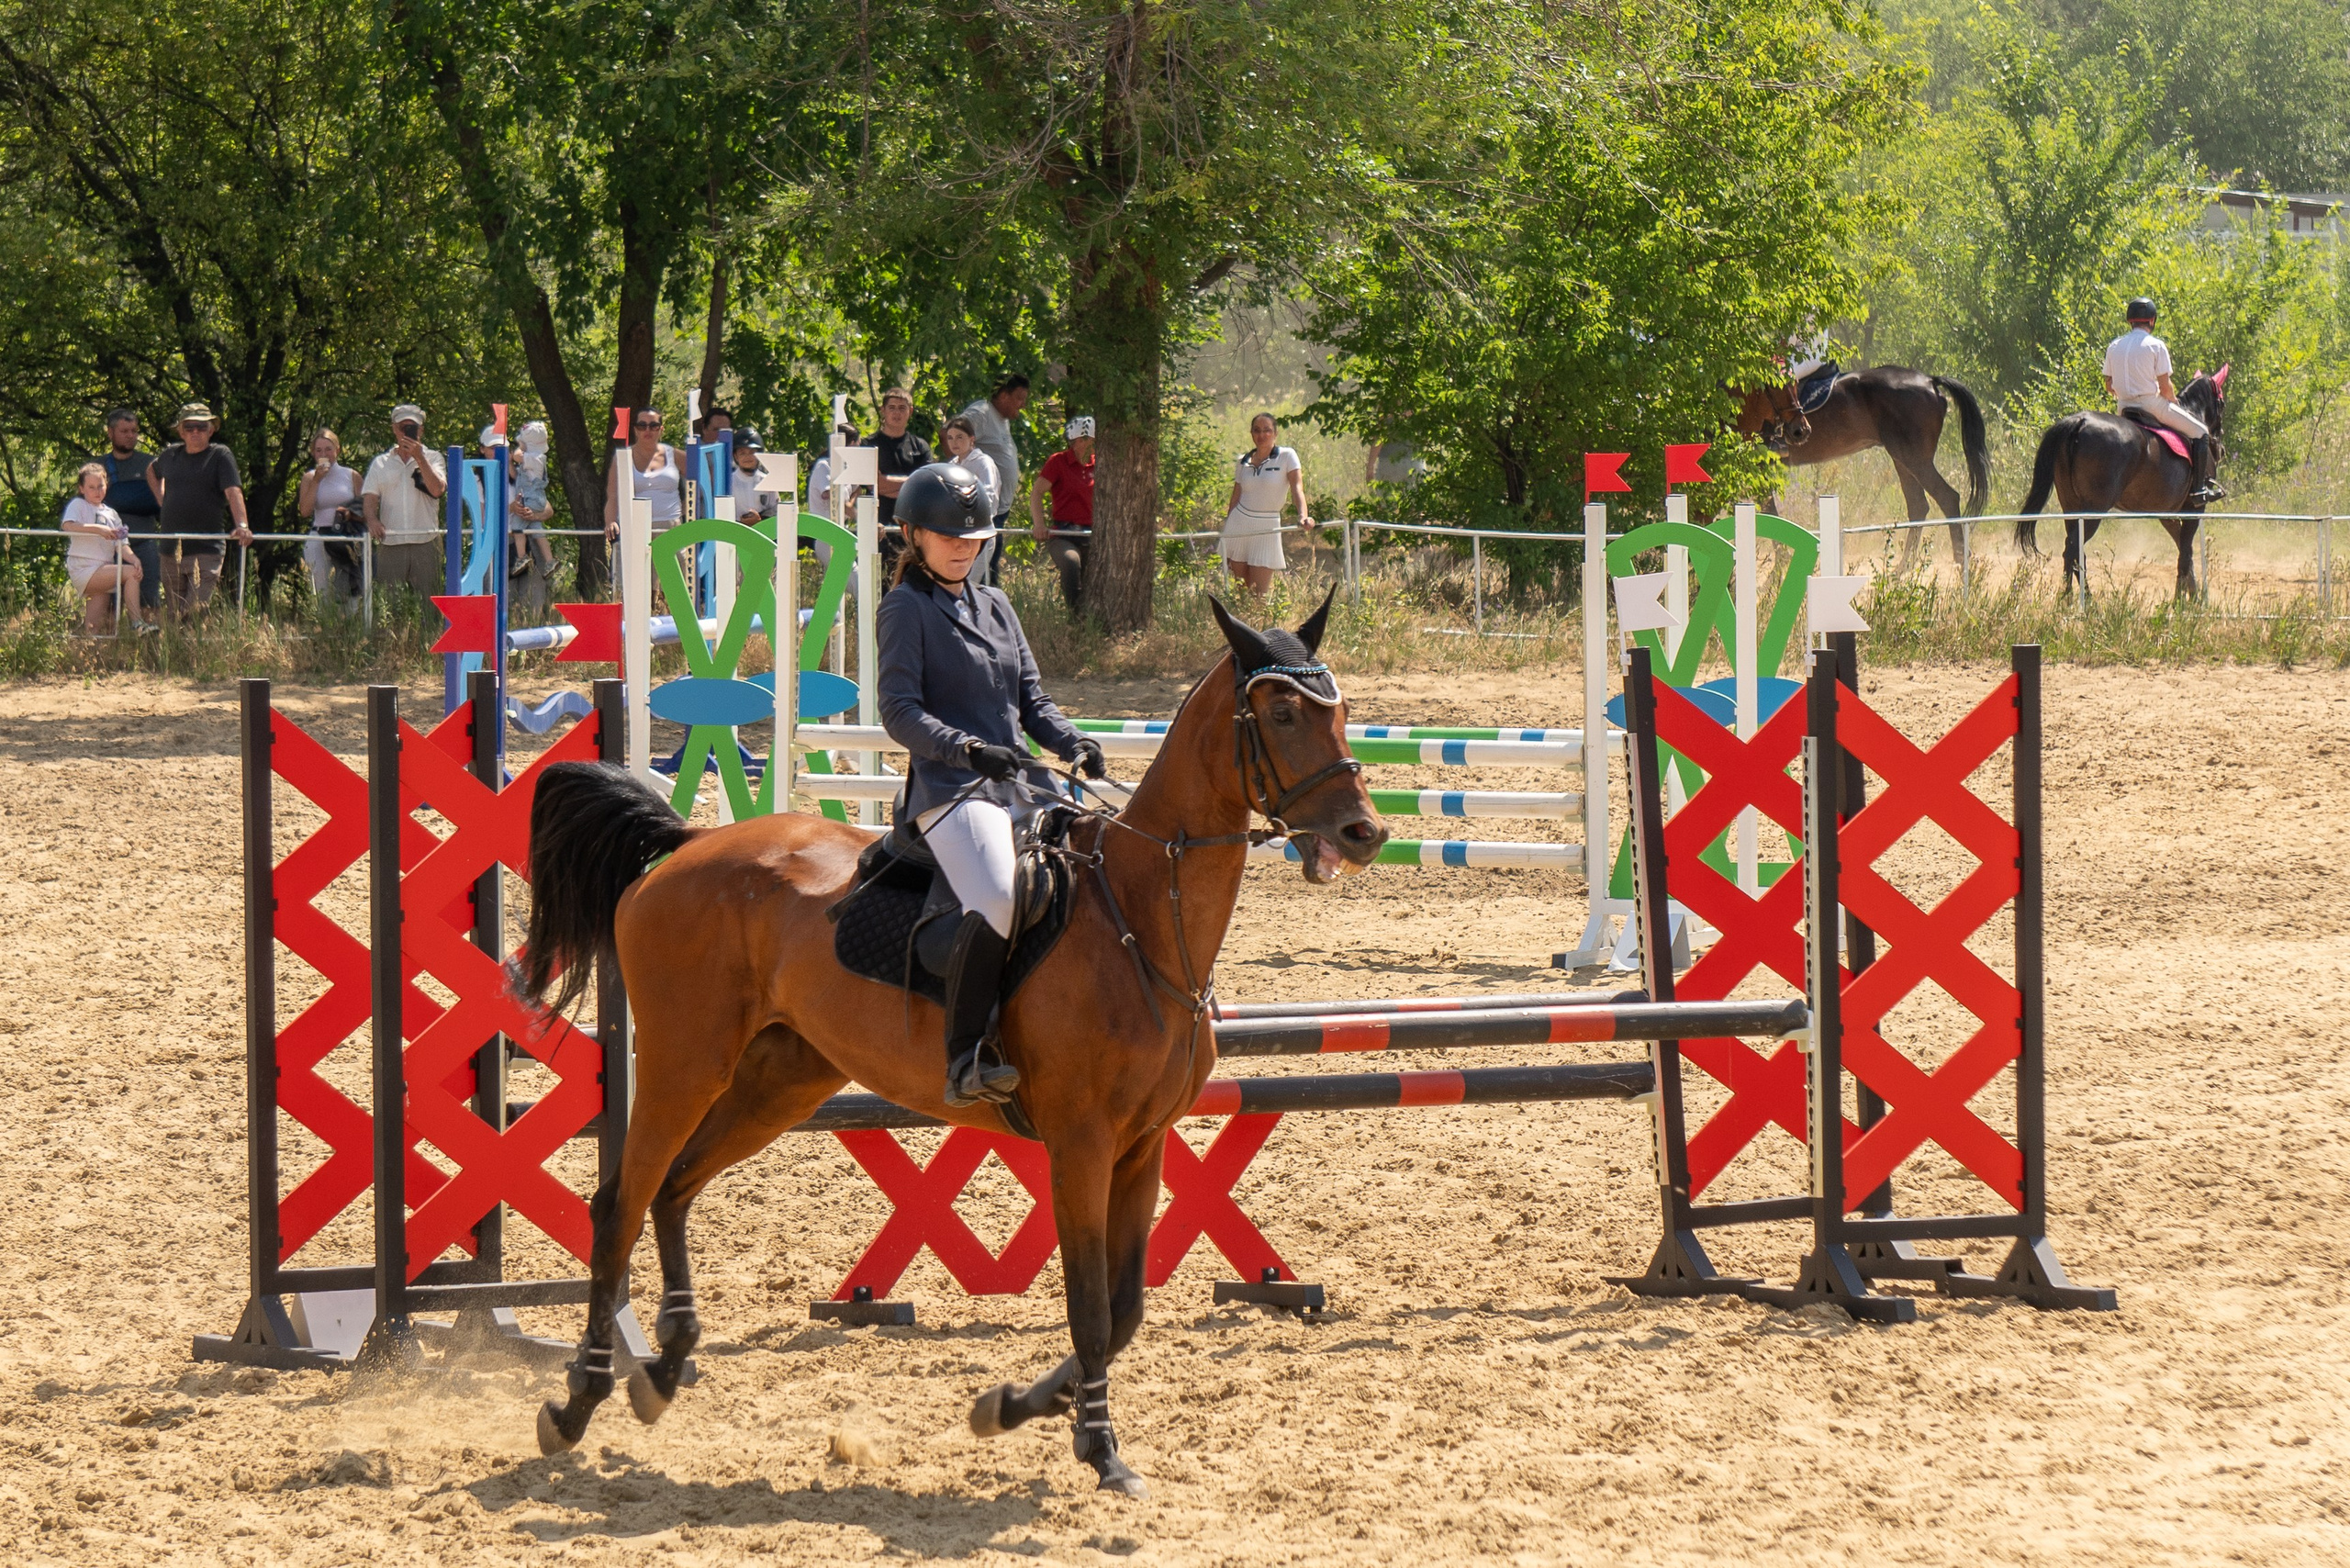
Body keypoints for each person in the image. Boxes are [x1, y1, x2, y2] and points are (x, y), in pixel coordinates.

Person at [876, 462, 1106, 1106]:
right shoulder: (905, 608)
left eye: (973, 537)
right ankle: (966, 1056)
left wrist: (1073, 741)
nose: (963, 546)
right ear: (914, 535)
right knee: (999, 894)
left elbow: (1032, 698)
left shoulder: (997, 604)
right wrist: (969, 749)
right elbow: (898, 710)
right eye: (949, 536)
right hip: (952, 790)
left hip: (1021, 784)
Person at [2104, 297, 2220, 502]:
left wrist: (2125, 392)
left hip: (2123, 408)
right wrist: (2173, 401)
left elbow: (2108, 385)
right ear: (2152, 320)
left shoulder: (2114, 346)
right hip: (2151, 405)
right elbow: (2165, 387)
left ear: (2130, 320)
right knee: (2201, 432)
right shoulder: (2156, 346)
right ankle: (2199, 490)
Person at [146, 403, 253, 615]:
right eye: (190, 427)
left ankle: (195, 647)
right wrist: (162, 499)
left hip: (207, 548)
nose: (195, 431)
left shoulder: (220, 455)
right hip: (170, 550)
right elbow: (152, 470)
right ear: (180, 431)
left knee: (195, 612)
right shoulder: (170, 455)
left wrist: (242, 525)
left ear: (211, 430)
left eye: (201, 427)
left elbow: (234, 492)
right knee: (174, 613)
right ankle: (175, 649)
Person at [359, 403, 450, 594]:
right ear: (394, 428)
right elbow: (369, 498)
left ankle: (430, 626)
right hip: (391, 541)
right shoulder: (380, 463)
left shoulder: (434, 458)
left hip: (426, 541)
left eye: (412, 428)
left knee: (429, 601)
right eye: (402, 428)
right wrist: (372, 520)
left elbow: (438, 490)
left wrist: (419, 458)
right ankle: (393, 627)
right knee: (389, 604)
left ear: (421, 431)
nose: (406, 433)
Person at [1220, 412, 1311, 596]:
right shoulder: (1243, 461)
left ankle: (1261, 624)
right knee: (1241, 593)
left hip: (1267, 525)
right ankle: (1241, 622)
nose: (1262, 435)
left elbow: (1297, 489)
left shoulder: (1287, 456)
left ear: (1275, 433)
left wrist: (1303, 516)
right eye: (1257, 430)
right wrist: (1227, 530)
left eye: (1267, 430)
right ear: (1251, 434)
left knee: (1259, 594)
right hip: (1239, 525)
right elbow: (1236, 496)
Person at [96, 409, 162, 631]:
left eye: (134, 431)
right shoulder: (97, 467)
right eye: (124, 431)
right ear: (110, 432)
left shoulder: (152, 465)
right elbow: (85, 507)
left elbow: (163, 504)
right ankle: (107, 653)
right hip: (106, 549)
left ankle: (149, 652)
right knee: (107, 605)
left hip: (144, 544)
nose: (130, 436)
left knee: (149, 602)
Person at [61, 462, 141, 633]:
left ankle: (84, 657)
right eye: (91, 487)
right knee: (130, 574)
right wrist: (98, 529)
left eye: (100, 486)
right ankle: (137, 623)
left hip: (103, 571)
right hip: (85, 568)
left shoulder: (112, 514)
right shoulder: (78, 504)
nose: (97, 491)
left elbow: (122, 544)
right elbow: (68, 526)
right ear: (82, 488)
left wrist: (135, 559)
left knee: (93, 630)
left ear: (107, 486)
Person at [1029, 416, 1096, 610]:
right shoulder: (1058, 462)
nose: (1090, 445)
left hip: (1093, 534)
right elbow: (1037, 493)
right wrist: (1039, 524)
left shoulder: (1102, 464)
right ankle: (1075, 616)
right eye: (1086, 440)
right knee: (1070, 561)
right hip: (1064, 533)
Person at [296, 429, 364, 610]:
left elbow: (364, 510)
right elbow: (305, 511)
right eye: (319, 450)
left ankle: (351, 626)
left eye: (328, 449)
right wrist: (317, 481)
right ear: (313, 453)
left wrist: (349, 513)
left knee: (349, 588)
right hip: (319, 535)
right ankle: (323, 628)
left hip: (345, 536)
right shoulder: (309, 477)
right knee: (321, 591)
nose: (324, 454)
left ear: (337, 450)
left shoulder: (352, 475)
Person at [957, 375, 1030, 532]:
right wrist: (959, 478)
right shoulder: (981, 413)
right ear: (1004, 395)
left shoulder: (1002, 419)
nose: (1023, 405)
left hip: (998, 512)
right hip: (981, 511)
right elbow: (949, 434)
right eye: (1019, 398)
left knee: (993, 556)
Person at [938, 416, 1002, 585]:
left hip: (980, 532)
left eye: (960, 437)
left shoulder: (984, 463)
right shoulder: (951, 465)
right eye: (950, 438)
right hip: (956, 533)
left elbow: (989, 499)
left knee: (969, 584)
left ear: (971, 439)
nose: (954, 443)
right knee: (954, 584)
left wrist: (963, 502)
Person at [600, 408, 683, 540]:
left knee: (673, 561)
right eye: (642, 425)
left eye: (653, 425)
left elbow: (699, 477)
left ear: (661, 430)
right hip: (634, 527)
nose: (647, 430)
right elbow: (613, 496)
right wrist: (610, 522)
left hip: (670, 527)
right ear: (635, 430)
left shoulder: (674, 454)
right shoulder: (622, 458)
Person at [862, 387, 934, 539]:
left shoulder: (920, 447)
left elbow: (923, 485)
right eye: (892, 408)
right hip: (877, 526)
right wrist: (910, 483)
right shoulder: (868, 445)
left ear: (910, 411)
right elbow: (873, 484)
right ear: (883, 410)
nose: (897, 413)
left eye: (902, 408)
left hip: (911, 524)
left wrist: (884, 483)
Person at [508, 420, 557, 578]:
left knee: (517, 525)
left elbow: (516, 456)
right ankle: (550, 560)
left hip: (531, 499)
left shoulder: (535, 458)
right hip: (535, 499)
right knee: (537, 530)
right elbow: (516, 475)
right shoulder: (534, 458)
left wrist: (520, 447)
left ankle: (521, 557)